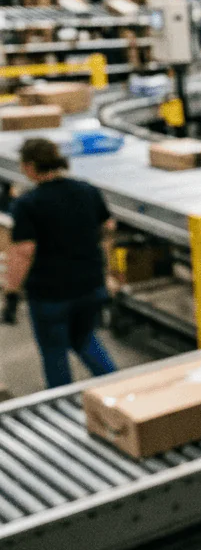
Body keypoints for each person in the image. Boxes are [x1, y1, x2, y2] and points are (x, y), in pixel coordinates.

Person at [6, 138, 117, 389]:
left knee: (54, 351)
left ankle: (62, 405)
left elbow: (24, 251)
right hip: (90, 285)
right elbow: (108, 226)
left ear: (32, 166)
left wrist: (12, 294)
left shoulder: (28, 204)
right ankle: (118, 388)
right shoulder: (87, 190)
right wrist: (105, 268)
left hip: (51, 294)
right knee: (84, 338)